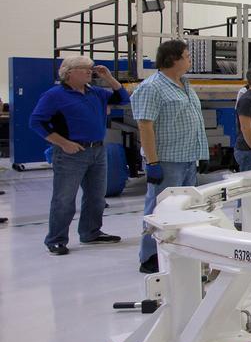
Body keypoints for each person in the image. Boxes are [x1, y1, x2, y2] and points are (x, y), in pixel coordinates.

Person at [29, 56, 129, 255]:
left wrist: (109, 78)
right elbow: (36, 122)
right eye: (84, 69)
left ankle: (91, 232)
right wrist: (63, 143)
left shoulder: (96, 93)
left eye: (90, 69)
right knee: (64, 199)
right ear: (69, 72)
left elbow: (123, 99)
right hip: (70, 154)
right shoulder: (54, 95)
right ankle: (56, 239)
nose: (89, 72)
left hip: (97, 151)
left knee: (96, 197)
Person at [131, 39, 208, 274]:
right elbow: (145, 126)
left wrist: (200, 153)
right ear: (172, 59)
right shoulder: (151, 87)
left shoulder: (185, 84)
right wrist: (152, 162)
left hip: (188, 157)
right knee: (158, 210)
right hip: (167, 159)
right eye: (186, 56)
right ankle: (150, 256)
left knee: (185, 209)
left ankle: (180, 250)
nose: (190, 60)